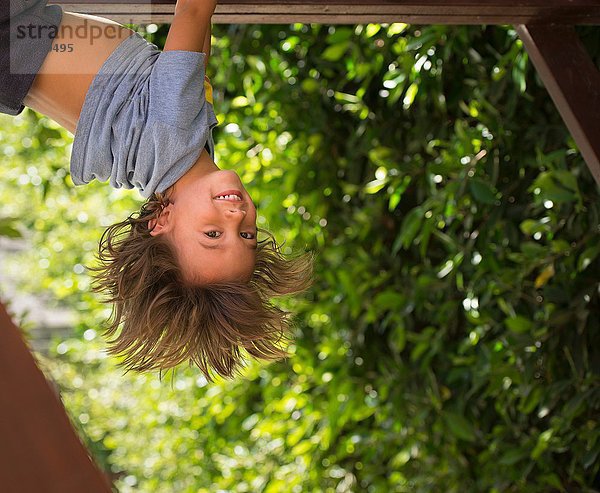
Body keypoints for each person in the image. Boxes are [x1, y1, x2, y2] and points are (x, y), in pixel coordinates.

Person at [0, 0, 313, 382]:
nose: (235, 219)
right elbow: (195, 58)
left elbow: (193, 11)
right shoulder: (174, 162)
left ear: (163, 220)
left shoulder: (174, 137)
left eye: (213, 235)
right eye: (246, 236)